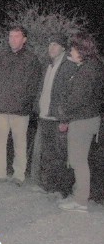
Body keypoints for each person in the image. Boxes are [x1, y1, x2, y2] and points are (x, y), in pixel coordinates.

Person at [0, 25, 41, 186]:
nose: (13, 40)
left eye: (16, 36)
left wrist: (26, 102)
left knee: (19, 144)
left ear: (24, 40)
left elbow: (34, 85)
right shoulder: (2, 57)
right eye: (10, 36)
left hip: (20, 110)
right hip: (2, 108)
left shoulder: (31, 59)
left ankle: (19, 175)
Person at [57, 32, 103, 212]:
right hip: (88, 118)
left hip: (82, 121)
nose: (71, 51)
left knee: (78, 161)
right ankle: (79, 194)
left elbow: (76, 99)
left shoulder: (86, 71)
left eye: (74, 48)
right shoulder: (93, 67)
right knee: (79, 159)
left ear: (83, 50)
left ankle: (80, 200)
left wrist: (64, 115)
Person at [30, 34, 76, 197]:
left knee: (60, 154)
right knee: (47, 153)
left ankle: (61, 189)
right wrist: (37, 106)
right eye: (50, 45)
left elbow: (70, 94)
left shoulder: (69, 66)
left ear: (63, 48)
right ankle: (47, 185)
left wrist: (66, 117)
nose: (51, 48)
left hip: (58, 118)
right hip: (45, 116)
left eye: (55, 45)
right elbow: (42, 89)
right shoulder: (48, 65)